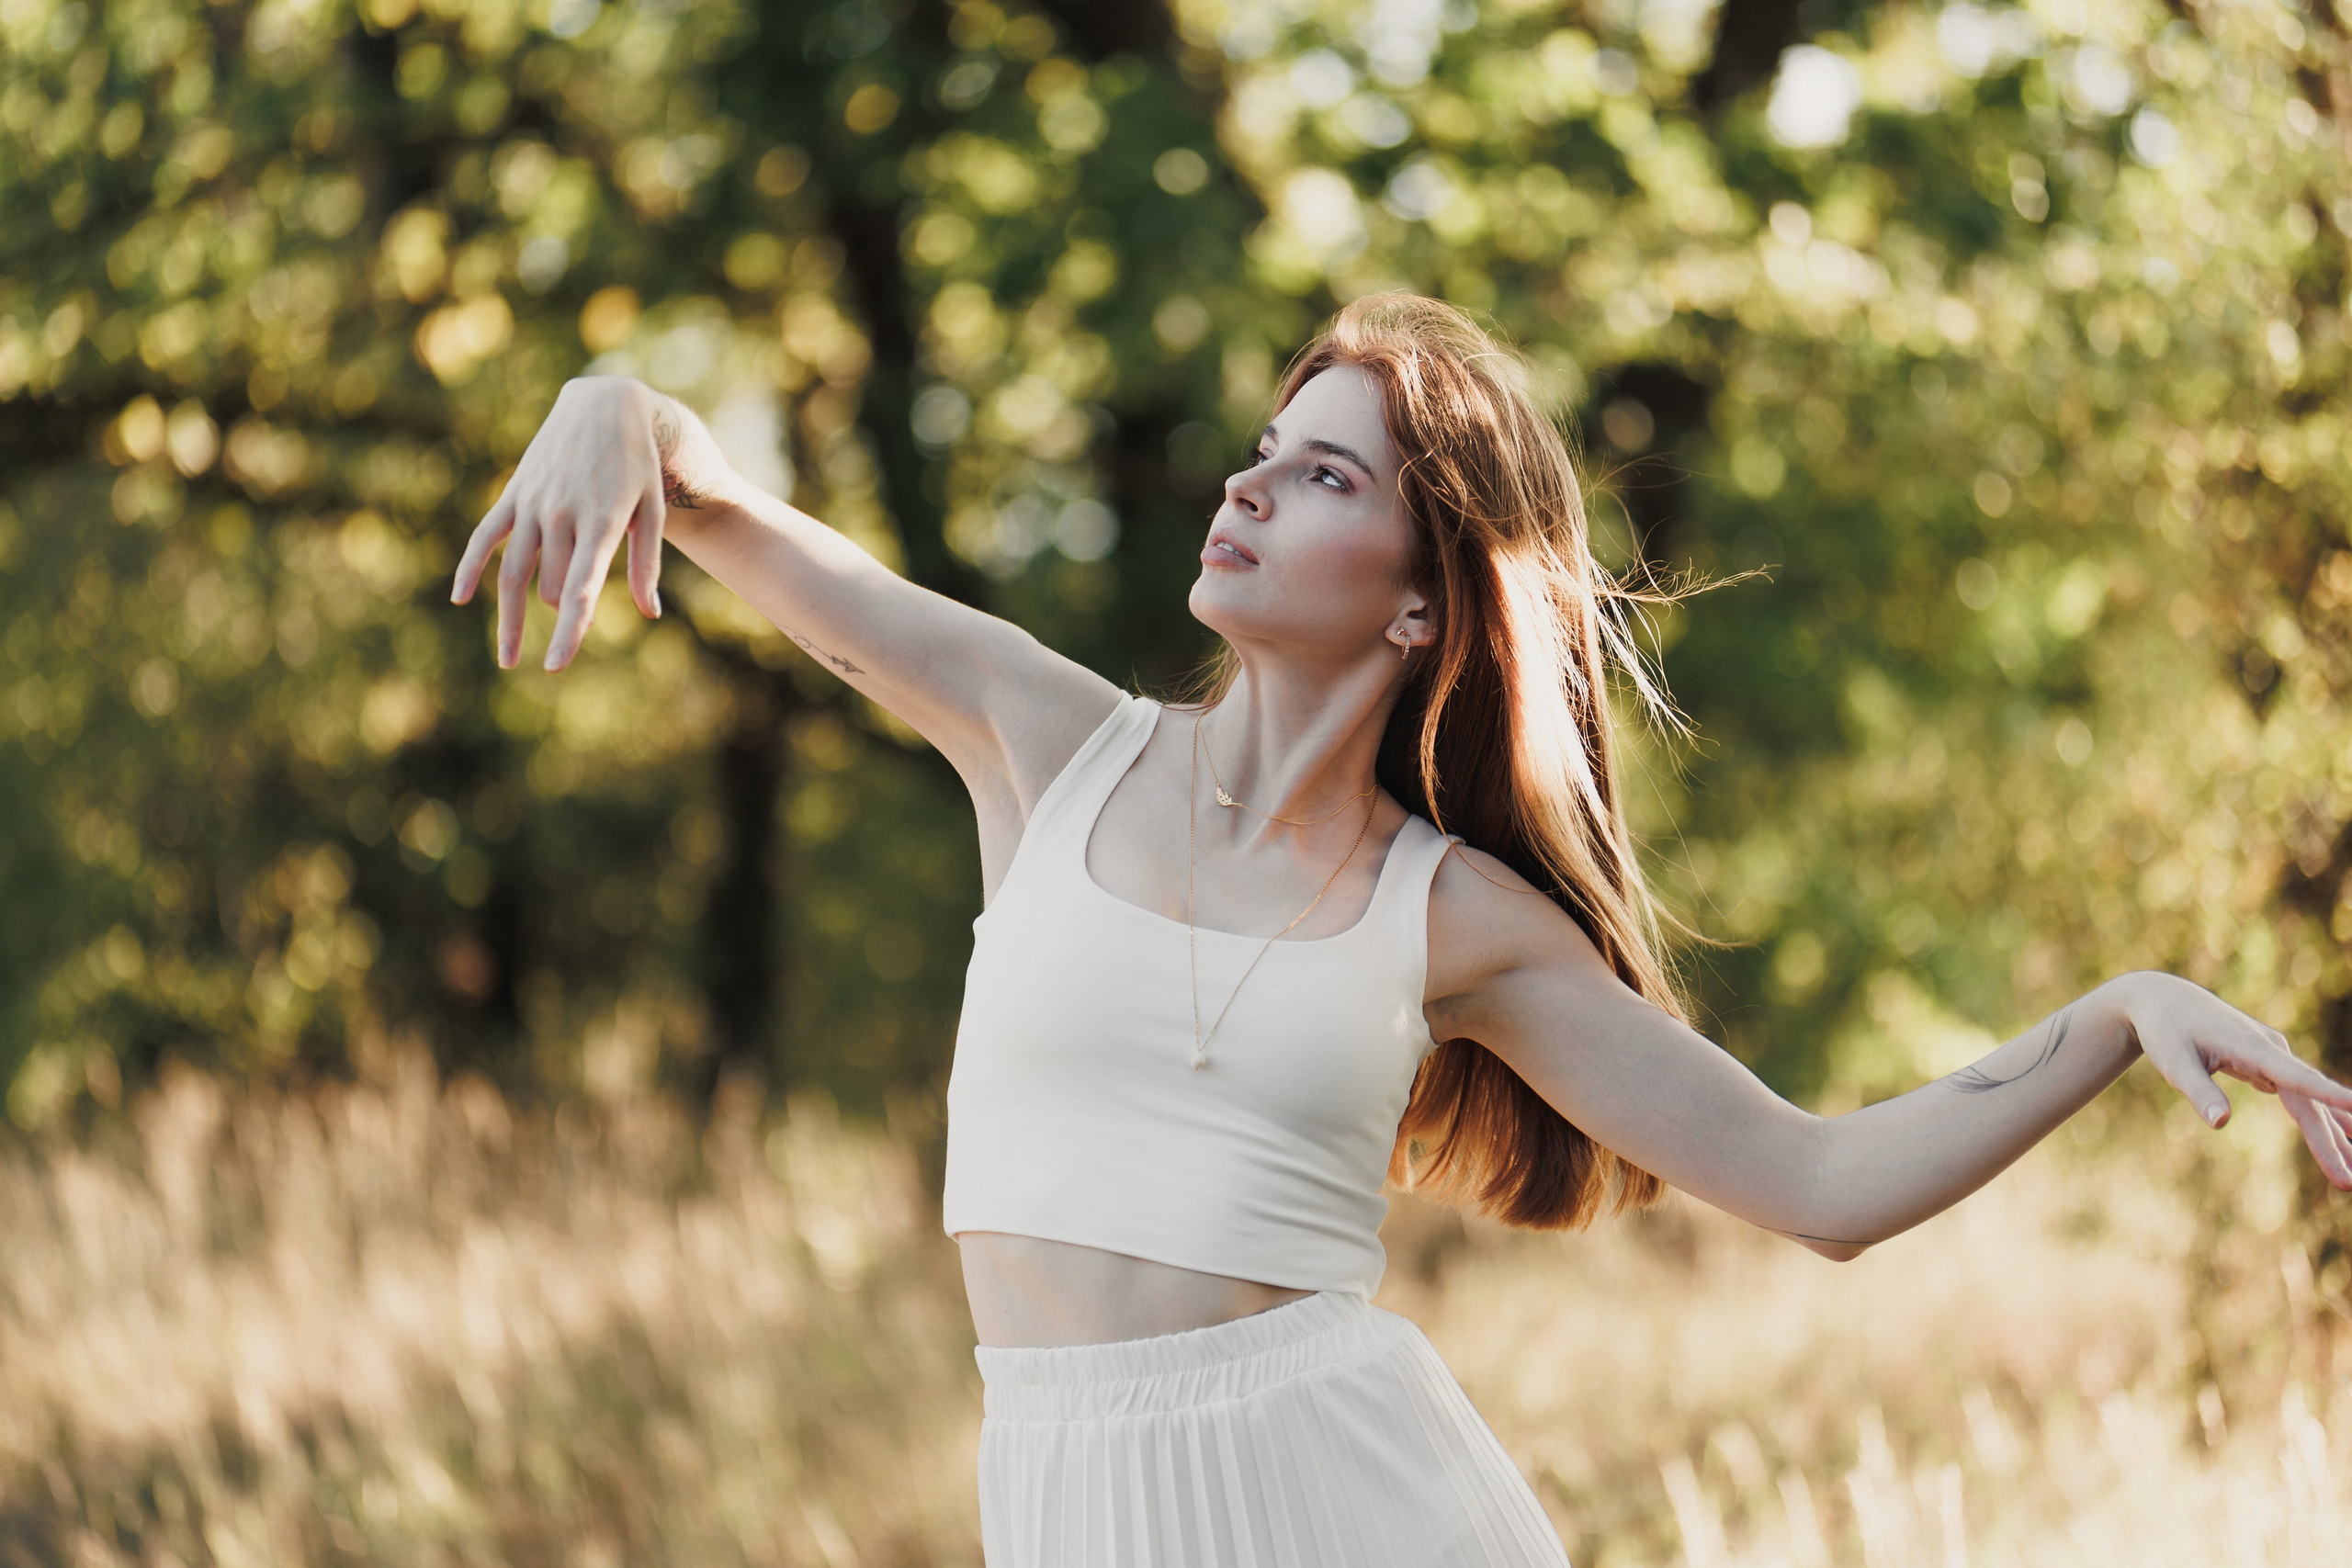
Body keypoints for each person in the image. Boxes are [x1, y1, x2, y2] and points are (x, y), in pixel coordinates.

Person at [450, 293, 2352, 1565]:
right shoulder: (1043, 742)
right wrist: (611, 409)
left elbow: (1814, 1174)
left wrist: (2111, 1014)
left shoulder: (1454, 916)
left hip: (1332, 1490)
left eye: (1324, 473)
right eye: (1263, 450)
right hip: (1063, 1485)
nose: (1247, 484)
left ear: (1424, 602)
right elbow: (719, 501)